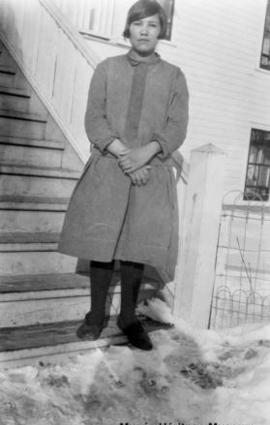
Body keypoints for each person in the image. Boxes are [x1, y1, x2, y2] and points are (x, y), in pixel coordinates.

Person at [58, 0, 189, 351]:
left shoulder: (174, 76)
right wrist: (124, 155)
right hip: (109, 168)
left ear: (161, 32)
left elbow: (176, 128)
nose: (144, 31)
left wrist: (144, 154)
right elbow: (94, 119)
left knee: (135, 247)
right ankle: (95, 314)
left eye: (152, 25)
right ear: (127, 29)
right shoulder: (106, 68)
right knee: (101, 245)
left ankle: (128, 318)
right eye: (137, 24)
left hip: (149, 172)